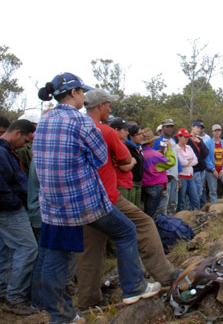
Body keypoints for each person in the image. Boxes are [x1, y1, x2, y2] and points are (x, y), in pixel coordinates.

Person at [34, 74, 158, 324]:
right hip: (83, 201)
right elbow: (101, 158)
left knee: (56, 256)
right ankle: (134, 288)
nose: (83, 98)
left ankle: (61, 315)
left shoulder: (45, 120)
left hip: (53, 205)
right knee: (125, 230)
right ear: (75, 93)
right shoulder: (82, 123)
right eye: (82, 93)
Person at [78, 89, 168, 310]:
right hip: (107, 196)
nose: (110, 109)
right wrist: (121, 163)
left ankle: (88, 300)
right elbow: (126, 159)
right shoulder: (106, 131)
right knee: (144, 224)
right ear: (100, 106)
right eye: (108, 105)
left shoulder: (76, 128)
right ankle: (163, 276)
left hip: (82, 198)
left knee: (91, 249)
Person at [0, 119, 38, 315]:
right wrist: (15, 202)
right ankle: (15, 298)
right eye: (25, 139)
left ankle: (5, 290)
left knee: (8, 250)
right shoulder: (2, 153)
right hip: (9, 210)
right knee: (28, 248)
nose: (26, 144)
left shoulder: (7, 152)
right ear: (16, 133)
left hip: (11, 207)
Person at [141, 129, 174, 217]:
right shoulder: (154, 154)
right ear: (151, 141)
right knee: (153, 213)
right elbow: (170, 162)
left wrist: (162, 151)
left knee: (147, 211)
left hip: (144, 185)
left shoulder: (141, 153)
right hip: (155, 186)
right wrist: (169, 149)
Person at [153, 119, 179, 214]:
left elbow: (176, 159)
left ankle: (171, 223)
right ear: (163, 128)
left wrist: (178, 174)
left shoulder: (172, 141)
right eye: (167, 127)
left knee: (172, 203)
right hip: (164, 176)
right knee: (163, 204)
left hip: (174, 175)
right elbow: (153, 159)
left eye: (171, 127)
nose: (170, 129)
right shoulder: (157, 141)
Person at [110, 118, 138, 206]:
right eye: (125, 130)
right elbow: (124, 167)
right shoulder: (114, 145)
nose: (128, 133)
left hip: (127, 183)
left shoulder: (122, 144)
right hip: (120, 185)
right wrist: (132, 162)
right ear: (116, 130)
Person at [205, 124, 223, 203]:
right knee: (213, 190)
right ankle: (214, 206)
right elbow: (207, 158)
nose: (217, 132)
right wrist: (213, 169)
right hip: (211, 170)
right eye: (215, 131)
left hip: (222, 169)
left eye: (219, 131)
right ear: (212, 132)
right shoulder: (208, 143)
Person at [174, 128, 199, 211]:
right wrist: (189, 160)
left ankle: (197, 215)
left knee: (195, 198)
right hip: (182, 176)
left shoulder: (189, 147)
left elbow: (196, 160)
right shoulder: (176, 148)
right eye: (185, 137)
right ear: (179, 137)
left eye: (187, 137)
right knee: (181, 200)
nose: (187, 139)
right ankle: (180, 218)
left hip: (190, 176)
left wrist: (187, 161)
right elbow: (181, 162)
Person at [188, 121, 209, 207]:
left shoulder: (199, 139)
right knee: (195, 191)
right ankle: (191, 210)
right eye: (197, 127)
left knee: (200, 191)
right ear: (192, 127)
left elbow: (206, 153)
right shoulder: (187, 139)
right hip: (194, 169)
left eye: (200, 128)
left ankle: (195, 209)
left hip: (202, 168)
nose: (199, 129)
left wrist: (199, 143)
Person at [124, 124, 145, 209]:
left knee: (138, 207)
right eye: (138, 134)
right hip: (131, 182)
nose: (141, 136)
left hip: (139, 182)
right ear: (131, 136)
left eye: (141, 134)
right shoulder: (127, 147)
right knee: (131, 207)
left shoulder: (139, 148)